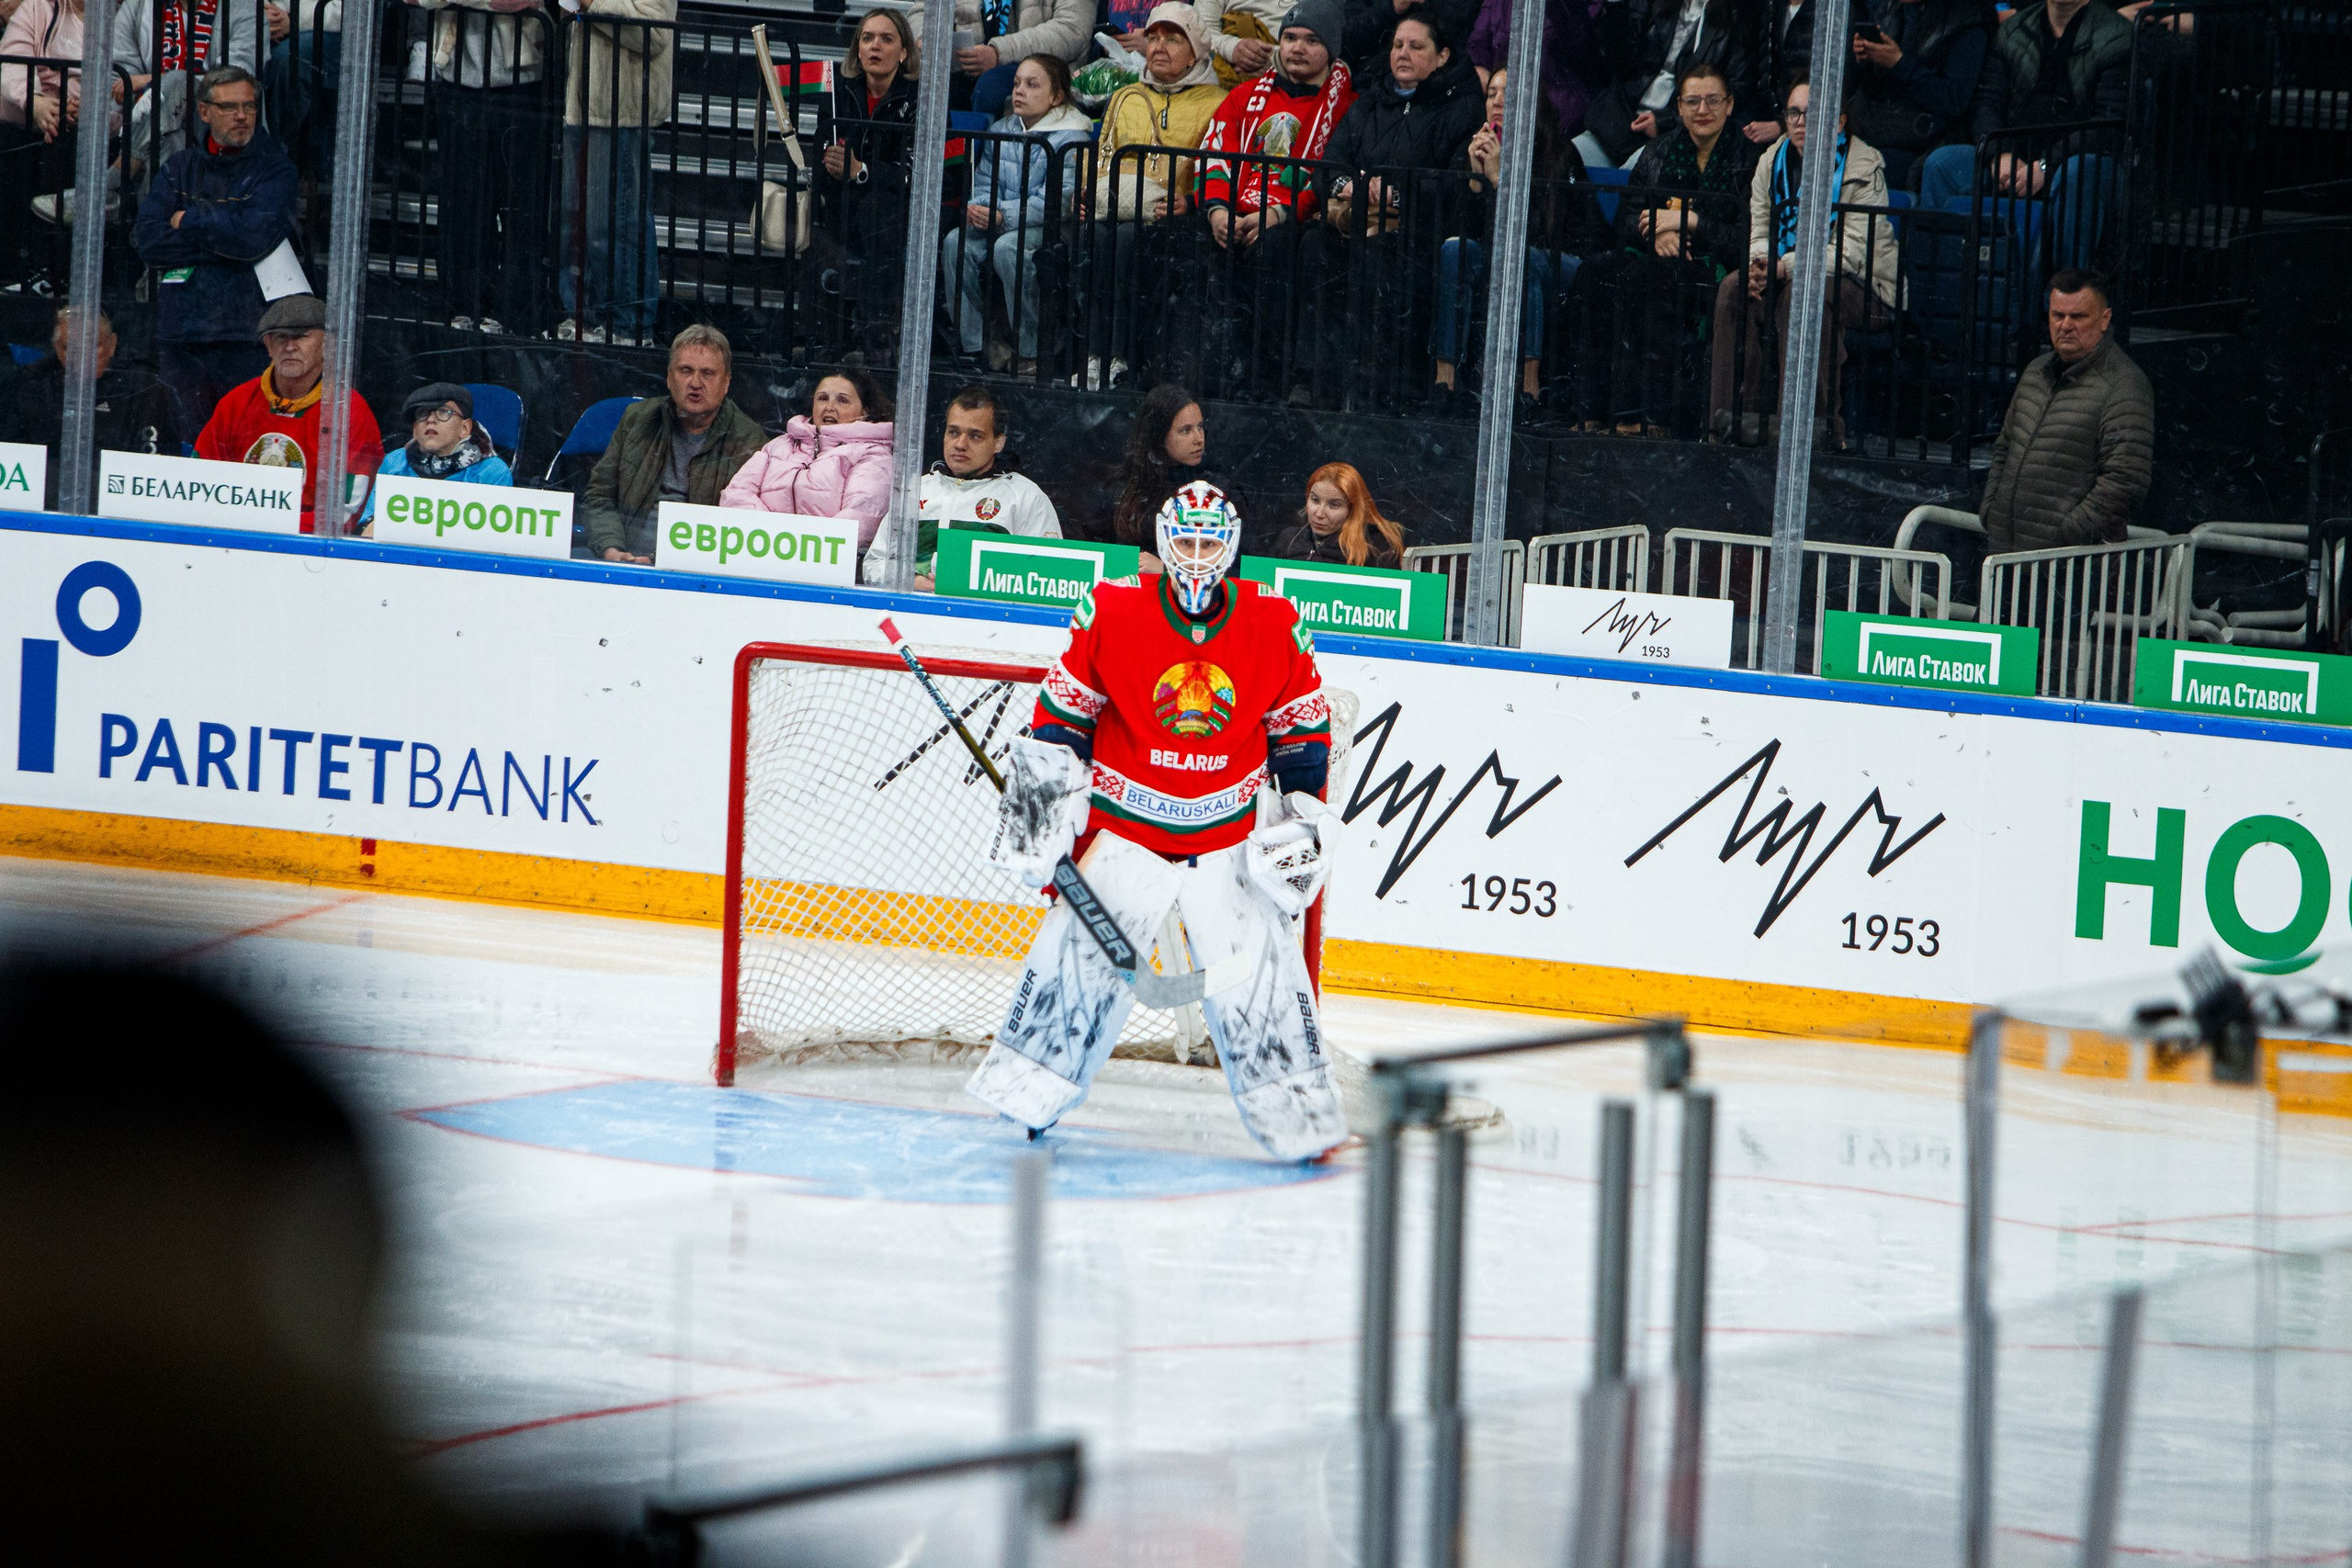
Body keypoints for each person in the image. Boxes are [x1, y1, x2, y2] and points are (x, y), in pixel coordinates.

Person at [967, 480, 1347, 1161]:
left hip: (1225, 844)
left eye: (1210, 542)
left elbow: (1300, 729)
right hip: (1124, 837)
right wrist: (1039, 817)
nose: (1197, 556)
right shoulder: (1112, 607)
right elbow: (1062, 716)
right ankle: (1028, 1096)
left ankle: (1302, 1122)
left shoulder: (1273, 620)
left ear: (1230, 547)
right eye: (1186, 540)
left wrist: (1300, 812)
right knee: (1073, 967)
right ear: (1163, 541)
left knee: (1260, 981)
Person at [1708, 71, 1900, 448]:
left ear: (1839, 120)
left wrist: (1784, 266)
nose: (1799, 122)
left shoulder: (1863, 166)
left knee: (1802, 294)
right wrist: (1761, 267)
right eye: (1793, 113)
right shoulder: (1771, 160)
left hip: (1868, 286)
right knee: (1735, 287)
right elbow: (1760, 232)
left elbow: (1851, 253)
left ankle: (1811, 433)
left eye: (1812, 114)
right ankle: (1729, 425)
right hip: (1792, 274)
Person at [1572, 59, 1752, 437]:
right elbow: (1625, 219)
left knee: (1650, 279)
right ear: (1679, 107)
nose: (1702, 110)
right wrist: (1654, 233)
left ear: (1730, 105)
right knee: (1596, 272)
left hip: (1711, 265)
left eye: (1713, 100)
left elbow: (1748, 234)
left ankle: (1649, 414)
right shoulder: (1656, 152)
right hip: (1657, 257)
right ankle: (1593, 407)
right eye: (1692, 101)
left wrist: (1692, 224)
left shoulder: (1749, 160)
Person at [1312, 13, 1481, 403]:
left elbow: (1453, 184)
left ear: (1442, 57)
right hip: (1354, 221)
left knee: (1381, 260)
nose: (1403, 54)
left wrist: (1395, 193)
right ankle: (1313, 379)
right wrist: (1347, 184)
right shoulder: (1370, 100)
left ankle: (1378, 387)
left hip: (1418, 234)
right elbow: (1329, 162)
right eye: (1397, 45)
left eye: (1416, 46)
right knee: (1309, 247)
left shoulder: (1462, 108)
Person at [1192, 0, 1354, 397]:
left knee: (1277, 249)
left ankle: (1265, 380)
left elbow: (1327, 177)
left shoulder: (1346, 107)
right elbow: (1214, 154)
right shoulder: (1243, 96)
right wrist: (1216, 212)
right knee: (1181, 241)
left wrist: (1279, 215)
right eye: (1290, 37)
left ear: (1331, 50)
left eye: (1312, 40)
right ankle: (1191, 374)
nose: (1298, 47)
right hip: (1230, 213)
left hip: (1288, 221)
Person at [130, 66, 298, 433]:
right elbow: (148, 240)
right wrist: (225, 230)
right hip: (180, 331)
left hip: (244, 334)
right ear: (204, 112)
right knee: (186, 444)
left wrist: (187, 222)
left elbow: (252, 238)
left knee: (243, 440)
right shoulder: (180, 166)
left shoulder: (276, 170)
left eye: (249, 106)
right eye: (229, 107)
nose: (241, 116)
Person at [1917, 0, 2131, 275]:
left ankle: (2058, 300)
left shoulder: (2116, 34)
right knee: (1942, 164)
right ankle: (1945, 293)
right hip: (2013, 159)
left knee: (2079, 172)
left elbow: (2107, 125)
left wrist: (2045, 166)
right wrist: (1999, 154)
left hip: (2075, 162)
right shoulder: (2013, 31)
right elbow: (1986, 103)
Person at [1431, 64, 1604, 400]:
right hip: (1502, 254)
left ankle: (1528, 388)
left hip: (1560, 259)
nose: (1497, 101)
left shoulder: (1559, 153)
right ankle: (1445, 382)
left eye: (1507, 93)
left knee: (1523, 258)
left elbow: (1540, 234)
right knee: (1455, 252)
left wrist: (1498, 182)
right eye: (1491, 93)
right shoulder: (1472, 150)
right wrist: (1476, 184)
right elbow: (1459, 231)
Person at [1083, 2, 1225, 389]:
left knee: (1127, 243)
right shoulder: (1125, 95)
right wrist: (1086, 195)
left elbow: (1220, 167)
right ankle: (1095, 355)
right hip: (1121, 207)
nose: (1159, 47)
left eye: (1173, 39)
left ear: (1196, 49)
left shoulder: (1217, 101)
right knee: (1096, 237)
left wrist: (1190, 200)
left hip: (1178, 219)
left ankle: (1122, 357)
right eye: (1153, 37)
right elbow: (1102, 154)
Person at [1978, 268, 2151, 554]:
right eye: (2058, 315)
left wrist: (2066, 536)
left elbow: (2125, 482)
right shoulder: (2035, 372)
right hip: (2006, 554)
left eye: (2079, 317)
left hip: (2070, 570)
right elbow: (2004, 448)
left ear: (2105, 319)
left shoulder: (2126, 385)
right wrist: (1992, 510)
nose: (2066, 325)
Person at [408, 0, 552, 338]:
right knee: (462, 205)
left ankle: (516, 313)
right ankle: (464, 307)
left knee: (520, 209)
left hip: (520, 82)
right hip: (457, 81)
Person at [940, 52, 1091, 374]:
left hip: (1052, 226)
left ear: (1056, 96)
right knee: (957, 241)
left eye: (1032, 85)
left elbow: (1059, 202)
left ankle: (1033, 348)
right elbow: (983, 182)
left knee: (1009, 249)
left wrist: (1001, 215)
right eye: (1017, 83)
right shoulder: (1001, 128)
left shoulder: (1074, 137)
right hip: (1003, 221)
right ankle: (977, 345)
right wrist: (981, 208)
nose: (1019, 90)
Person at [192, 292, 383, 533]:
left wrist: (273, 530)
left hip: (305, 548)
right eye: (281, 337)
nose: (290, 347)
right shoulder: (236, 403)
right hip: (233, 535)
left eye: (301, 337)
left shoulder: (350, 413)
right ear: (268, 345)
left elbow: (344, 512)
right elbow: (200, 483)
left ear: (328, 345)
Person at [582, 322, 764, 563]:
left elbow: (742, 532)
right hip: (620, 560)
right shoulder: (637, 419)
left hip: (691, 571)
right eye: (685, 370)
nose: (695, 383)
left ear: (726, 382)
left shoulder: (749, 441)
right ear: (669, 377)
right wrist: (611, 548)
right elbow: (600, 496)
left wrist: (660, 559)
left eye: (708, 373)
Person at [862, 383, 1062, 587]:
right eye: (954, 433)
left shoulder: (1025, 496)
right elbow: (875, 563)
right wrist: (915, 582)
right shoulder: (916, 490)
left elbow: (1047, 577)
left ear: (998, 443)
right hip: (911, 613)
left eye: (975, 436)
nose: (960, 444)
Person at [555, 0, 673, 345]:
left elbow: (656, 35)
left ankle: (627, 325)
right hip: (583, 104)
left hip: (621, 108)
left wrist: (592, 3)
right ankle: (586, 319)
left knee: (616, 222)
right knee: (578, 221)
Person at [815, 8, 918, 362]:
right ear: (857, 50)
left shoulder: (919, 98)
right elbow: (822, 157)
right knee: (823, 220)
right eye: (867, 38)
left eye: (887, 39)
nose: (876, 46)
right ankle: (824, 341)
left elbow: (915, 173)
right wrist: (832, 165)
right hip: (848, 204)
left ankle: (876, 338)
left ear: (903, 52)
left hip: (898, 211)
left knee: (877, 211)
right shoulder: (837, 94)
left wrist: (861, 171)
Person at [718, 367, 896, 560]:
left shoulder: (873, 455)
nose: (829, 407)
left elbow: (858, 519)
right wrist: (768, 538)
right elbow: (736, 494)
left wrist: (798, 549)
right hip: (761, 556)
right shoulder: (779, 445)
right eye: (823, 398)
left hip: (826, 567)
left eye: (842, 400)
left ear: (865, 411)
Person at [2, 309, 180, 501]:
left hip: (120, 503)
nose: (82, 356)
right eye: (70, 348)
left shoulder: (144, 389)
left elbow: (158, 470)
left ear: (112, 345)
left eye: (93, 345)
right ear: (57, 350)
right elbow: (14, 457)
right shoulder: (33, 385)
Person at [1582, 0, 1755, 170]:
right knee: (1575, 159)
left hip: (1675, 131)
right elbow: (1618, 61)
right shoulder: (1652, 4)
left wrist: (1666, 121)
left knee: (1635, 172)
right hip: (1622, 117)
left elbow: (1736, 90)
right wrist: (1616, 6)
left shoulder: (1735, 16)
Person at [1842, 0, 1997, 189]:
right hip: (1871, 130)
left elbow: (1953, 99)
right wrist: (1864, 58)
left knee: (1863, 173)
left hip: (1924, 143)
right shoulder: (1891, 9)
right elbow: (1861, 86)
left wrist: (1899, 65)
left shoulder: (1969, 22)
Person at [0, 0, 87, 290]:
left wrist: (80, 109)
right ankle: (13, 275)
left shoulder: (122, 16)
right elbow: (13, 62)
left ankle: (49, 275)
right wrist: (35, 103)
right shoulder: (37, 7)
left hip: (83, 123)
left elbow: (117, 77)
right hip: (25, 118)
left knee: (66, 146)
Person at [1106, 384, 1243, 565]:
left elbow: (1236, 568)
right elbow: (1102, 553)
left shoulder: (1218, 491)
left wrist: (1167, 572)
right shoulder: (1125, 487)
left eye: (1200, 427)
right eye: (1186, 430)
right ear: (1159, 436)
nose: (1199, 438)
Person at [1465, 0, 1611, 166]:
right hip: (1506, 101)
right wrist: (1480, 67)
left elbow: (1581, 48)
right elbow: (1477, 44)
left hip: (1558, 110)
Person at [356, 382, 514, 529]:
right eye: (422, 413)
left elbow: (491, 539)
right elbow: (369, 526)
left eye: (443, 412)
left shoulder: (492, 473)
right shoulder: (394, 462)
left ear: (464, 428)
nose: (431, 420)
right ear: (414, 430)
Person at [910, 0, 1090, 115]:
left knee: (991, 87)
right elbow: (920, 12)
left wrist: (998, 53)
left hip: (1038, 71)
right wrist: (927, 38)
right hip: (960, 67)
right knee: (917, 85)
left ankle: (973, 169)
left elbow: (1072, 30)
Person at [1272, 460, 1404, 565]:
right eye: (1315, 500)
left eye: (1334, 505)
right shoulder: (1288, 540)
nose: (1319, 513)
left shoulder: (1375, 549)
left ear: (1353, 509)